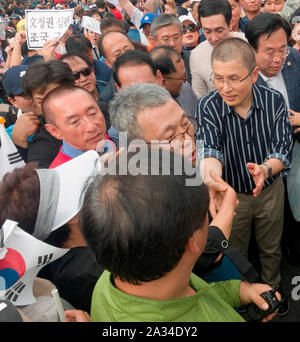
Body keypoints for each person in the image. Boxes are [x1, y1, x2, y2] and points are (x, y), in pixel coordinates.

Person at [78, 119, 279, 321]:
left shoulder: (112, 279)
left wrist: (239, 291)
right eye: (205, 216)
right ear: (193, 240)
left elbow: (195, 292)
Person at [196, 37, 293, 309]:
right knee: (235, 251)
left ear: (253, 75)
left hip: (270, 191)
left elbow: (283, 147)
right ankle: (244, 297)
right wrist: (213, 182)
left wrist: (265, 168)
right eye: (218, 78)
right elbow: (209, 149)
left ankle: (273, 291)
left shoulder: (274, 101)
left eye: (234, 79)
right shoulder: (208, 106)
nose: (225, 88)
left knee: (271, 247)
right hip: (232, 196)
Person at [19, 60, 75, 168]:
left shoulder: (105, 111)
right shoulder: (42, 146)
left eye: (57, 96)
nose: (51, 105)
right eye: (41, 100)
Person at [41, 86, 115, 168]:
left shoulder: (114, 141)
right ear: (55, 131)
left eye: (92, 113)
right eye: (75, 122)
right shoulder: (62, 176)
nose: (91, 127)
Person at [245, 13, 300, 115]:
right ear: (252, 50)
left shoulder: (294, 58)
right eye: (270, 53)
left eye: (282, 50)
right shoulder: (243, 78)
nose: (278, 59)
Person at [190, 0, 246, 99]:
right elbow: (200, 98)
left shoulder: (247, 44)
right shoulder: (196, 56)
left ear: (230, 25)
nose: (214, 38)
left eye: (219, 31)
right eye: (207, 31)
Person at [149, 45, 198, 117]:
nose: (185, 81)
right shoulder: (150, 110)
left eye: (185, 75)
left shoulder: (185, 89)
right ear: (161, 77)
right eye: (182, 78)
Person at [149, 13, 192, 84]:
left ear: (181, 36)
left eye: (176, 37)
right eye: (166, 39)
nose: (172, 44)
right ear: (153, 40)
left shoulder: (192, 59)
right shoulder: (148, 68)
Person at [97, 31, 135, 102]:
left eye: (128, 50)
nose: (126, 56)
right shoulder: (108, 99)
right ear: (108, 62)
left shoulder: (153, 68)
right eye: (118, 55)